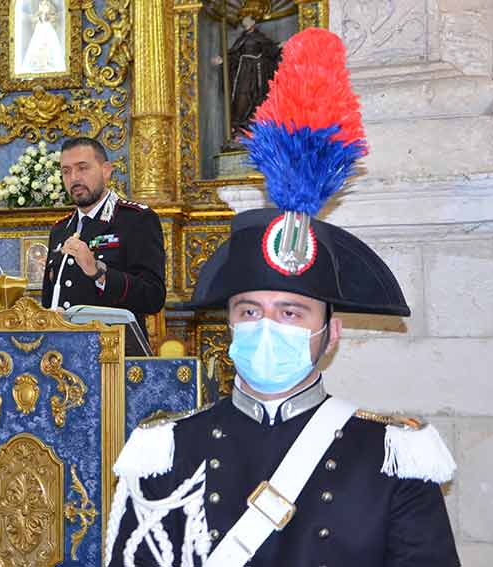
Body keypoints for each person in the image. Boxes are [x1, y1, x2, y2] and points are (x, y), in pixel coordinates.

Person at [105, 29, 459, 567]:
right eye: (250, 310)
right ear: (228, 324)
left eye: (291, 312)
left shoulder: (393, 459)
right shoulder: (166, 452)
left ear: (330, 333)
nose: (266, 326)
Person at [41, 137, 166, 343]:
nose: (74, 178)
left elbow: (153, 297)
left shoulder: (135, 219)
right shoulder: (60, 229)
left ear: (106, 170)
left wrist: (98, 272)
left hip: (112, 353)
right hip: (63, 352)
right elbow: (50, 300)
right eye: (66, 171)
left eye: (83, 168)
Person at [211, 15, 281, 145]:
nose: (245, 24)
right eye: (244, 22)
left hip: (258, 71)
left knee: (257, 97)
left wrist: (280, 49)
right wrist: (223, 59)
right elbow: (234, 54)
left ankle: (255, 128)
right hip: (243, 72)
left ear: (254, 22)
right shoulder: (242, 39)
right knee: (241, 97)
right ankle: (238, 128)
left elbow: (272, 51)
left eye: (247, 21)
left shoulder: (260, 38)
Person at [19, 0, 65, 74]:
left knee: (48, 46)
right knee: (38, 45)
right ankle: (38, 62)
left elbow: (53, 21)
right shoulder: (38, 16)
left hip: (47, 30)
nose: (43, 6)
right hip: (39, 31)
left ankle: (48, 62)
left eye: (45, 5)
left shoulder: (50, 17)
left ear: (49, 7)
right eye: (41, 5)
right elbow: (32, 20)